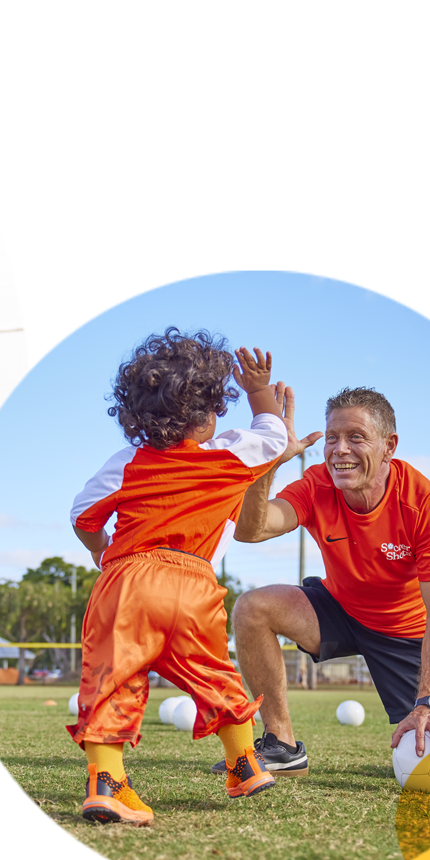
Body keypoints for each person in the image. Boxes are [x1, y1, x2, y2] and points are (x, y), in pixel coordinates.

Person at [67, 329, 291, 826]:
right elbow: (274, 438)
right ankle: (244, 765)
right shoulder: (229, 453)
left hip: (127, 580)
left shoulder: (128, 461)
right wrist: (258, 391)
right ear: (211, 412)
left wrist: (102, 550)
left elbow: (83, 514)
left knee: (113, 680)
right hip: (195, 586)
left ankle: (107, 784)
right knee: (214, 673)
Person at [221, 386, 430, 778]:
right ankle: (282, 744)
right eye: (332, 437)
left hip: (404, 633)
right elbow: (251, 530)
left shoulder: (424, 501)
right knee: (252, 607)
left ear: (389, 446)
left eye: (356, 437)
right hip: (340, 609)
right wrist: (268, 463)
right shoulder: (317, 484)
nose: (340, 449)